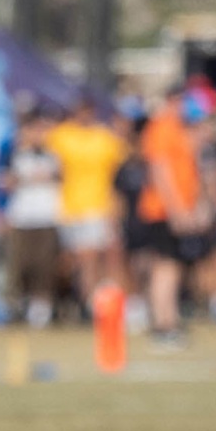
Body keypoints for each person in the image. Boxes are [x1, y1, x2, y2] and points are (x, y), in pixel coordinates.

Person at [136, 87, 208, 343]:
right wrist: (177, 210)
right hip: (162, 209)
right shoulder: (162, 127)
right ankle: (162, 323)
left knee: (174, 266)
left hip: (177, 209)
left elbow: (191, 171)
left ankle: (171, 319)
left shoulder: (182, 129)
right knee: (165, 266)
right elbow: (161, 172)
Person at [47, 98, 127, 309]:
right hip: (69, 208)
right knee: (71, 262)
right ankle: (80, 300)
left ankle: (92, 303)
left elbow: (119, 170)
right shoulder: (61, 135)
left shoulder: (104, 137)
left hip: (98, 205)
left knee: (92, 257)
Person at [3, 107, 63, 327]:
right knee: (19, 264)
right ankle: (16, 306)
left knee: (44, 265)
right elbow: (5, 181)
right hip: (22, 217)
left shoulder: (54, 155)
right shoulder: (14, 153)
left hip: (46, 216)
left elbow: (62, 178)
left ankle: (41, 308)